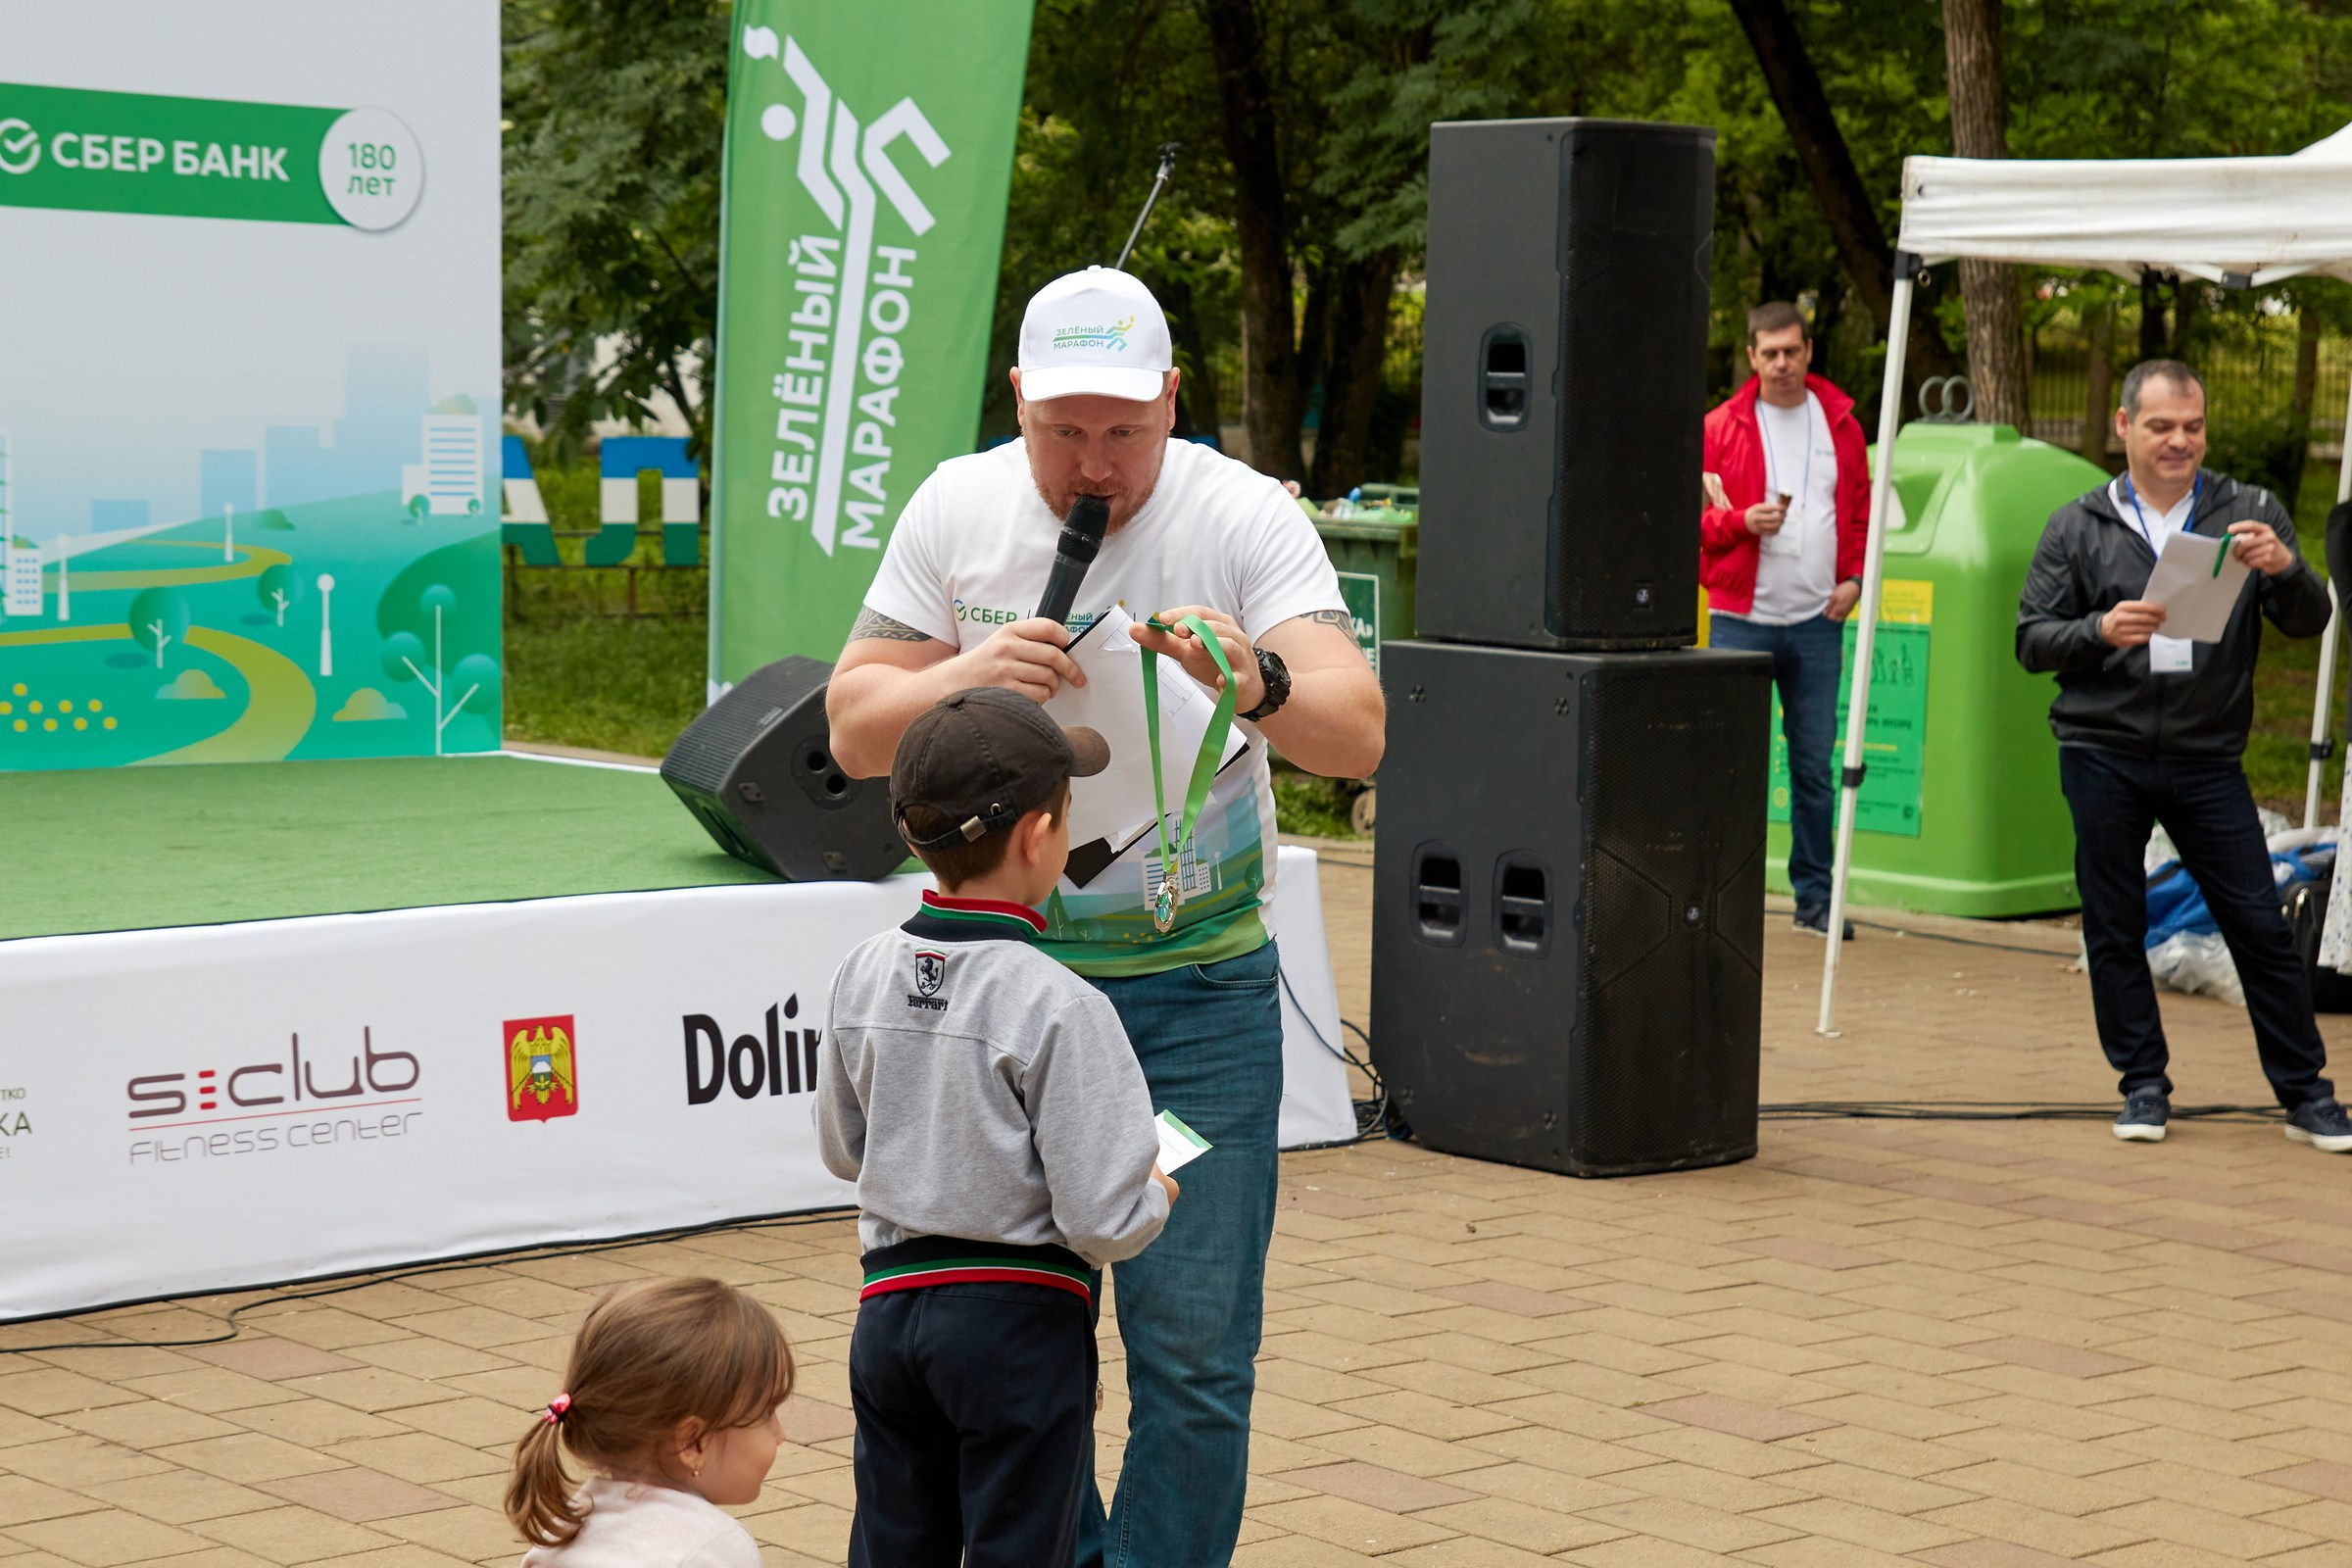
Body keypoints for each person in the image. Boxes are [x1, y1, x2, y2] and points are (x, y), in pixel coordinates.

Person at [825, 265, 1384, 1568]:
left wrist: (1259, 680)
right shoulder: (956, 505)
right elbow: (850, 729)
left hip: (1195, 1005)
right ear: (1017, 397)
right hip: (1001, 1013)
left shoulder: (1241, 512)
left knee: (1192, 1354)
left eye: (1125, 431)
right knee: (1023, 1347)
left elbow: (1356, 733)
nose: (1095, 464)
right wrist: (964, 675)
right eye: (1062, 429)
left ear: (1174, 399)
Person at [816, 688, 1177, 1567]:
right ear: (1038, 837)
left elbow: (843, 1149)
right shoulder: (1061, 1003)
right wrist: (1155, 1193)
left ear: (914, 836)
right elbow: (1102, 1221)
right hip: (1018, 1327)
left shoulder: (861, 970)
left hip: (888, 1314)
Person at [2018, 359, 2352, 1153]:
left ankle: (2307, 1094)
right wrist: (2098, 631)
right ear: (2124, 426)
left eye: (2193, 427)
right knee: (2114, 923)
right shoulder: (2076, 525)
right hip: (2102, 750)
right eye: (2162, 426)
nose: (2180, 442)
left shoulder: (2249, 511)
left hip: (2207, 757)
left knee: (2258, 923)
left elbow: (2310, 620)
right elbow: (2031, 640)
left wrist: (2287, 570)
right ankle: (2143, 1084)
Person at [1700, 300, 1872, 939]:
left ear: (1808, 351)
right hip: (1739, 619)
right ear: (1751, 356)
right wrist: (1739, 521)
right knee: (1730, 769)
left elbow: (1860, 512)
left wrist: (1854, 579)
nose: (1781, 363)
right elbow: (1689, 525)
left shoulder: (1841, 423)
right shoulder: (1720, 427)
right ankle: (1723, 902)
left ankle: (1816, 902)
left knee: (1813, 769)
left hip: (1817, 621)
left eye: (1791, 351)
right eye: (1769, 353)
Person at [504, 1277, 794, 1568]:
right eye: (766, 1414)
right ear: (693, 1443)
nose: (780, 1434)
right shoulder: (714, 1547)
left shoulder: (565, 1526)